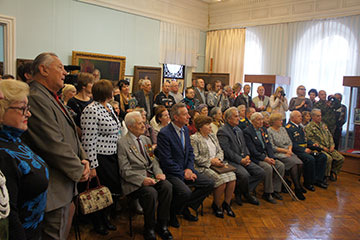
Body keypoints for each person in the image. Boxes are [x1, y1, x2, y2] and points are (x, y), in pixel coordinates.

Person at [22, 53, 90, 240]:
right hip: (53, 185)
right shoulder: (35, 97)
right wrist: (79, 169)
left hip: (64, 181)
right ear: (43, 69)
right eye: (60, 67)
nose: (64, 72)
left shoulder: (50, 96)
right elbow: (51, 143)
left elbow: (71, 134)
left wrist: (84, 158)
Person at [0, 80, 49, 239]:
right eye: (22, 108)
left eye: (28, 108)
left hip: (34, 229)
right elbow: (10, 216)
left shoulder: (15, 139)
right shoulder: (3, 154)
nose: (28, 113)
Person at [157, 103, 214, 228]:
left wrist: (189, 169)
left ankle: (184, 207)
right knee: (185, 192)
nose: (189, 117)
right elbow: (166, 161)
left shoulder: (185, 129)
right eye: (185, 114)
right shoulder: (164, 133)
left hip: (186, 169)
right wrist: (183, 173)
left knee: (209, 183)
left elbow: (190, 153)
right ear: (176, 117)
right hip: (172, 173)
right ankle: (173, 213)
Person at [118, 112, 173, 240]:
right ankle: (149, 228)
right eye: (140, 123)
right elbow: (124, 170)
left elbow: (153, 160)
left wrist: (158, 172)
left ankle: (163, 224)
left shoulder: (146, 140)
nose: (144, 126)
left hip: (151, 176)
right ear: (130, 127)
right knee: (150, 193)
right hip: (134, 181)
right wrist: (142, 180)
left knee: (167, 186)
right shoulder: (122, 143)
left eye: (144, 122)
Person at [80, 80, 122, 235]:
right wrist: (92, 166)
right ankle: (98, 223)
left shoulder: (109, 107)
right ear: (106, 92)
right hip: (99, 157)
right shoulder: (91, 110)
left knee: (109, 190)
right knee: (98, 191)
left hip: (111, 155)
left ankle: (105, 219)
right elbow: (88, 140)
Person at [217, 107, 265, 206]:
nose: (238, 118)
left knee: (260, 172)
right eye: (236, 116)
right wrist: (240, 160)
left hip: (243, 158)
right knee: (244, 175)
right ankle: (247, 194)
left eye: (238, 116)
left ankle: (240, 192)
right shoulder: (222, 131)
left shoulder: (238, 129)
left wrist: (247, 155)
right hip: (231, 160)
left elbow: (244, 145)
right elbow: (227, 151)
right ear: (229, 119)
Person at [191, 116, 236, 218]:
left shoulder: (212, 136)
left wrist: (218, 160)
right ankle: (216, 205)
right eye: (207, 125)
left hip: (217, 163)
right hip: (203, 166)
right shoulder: (194, 138)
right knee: (220, 180)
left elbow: (220, 150)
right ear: (200, 127)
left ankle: (227, 204)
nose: (210, 127)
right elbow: (195, 157)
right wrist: (211, 162)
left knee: (232, 177)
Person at [243, 113, 285, 204]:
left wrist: (271, 157)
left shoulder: (263, 130)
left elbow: (268, 145)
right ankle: (267, 192)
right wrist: (265, 159)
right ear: (253, 121)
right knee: (267, 167)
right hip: (255, 157)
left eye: (262, 119)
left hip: (267, 155)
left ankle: (276, 190)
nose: (261, 121)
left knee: (280, 165)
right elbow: (252, 150)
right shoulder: (247, 131)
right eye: (259, 120)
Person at [267, 113, 305, 200]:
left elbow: (289, 142)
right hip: (278, 153)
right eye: (280, 120)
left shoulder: (283, 129)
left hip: (288, 152)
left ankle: (297, 184)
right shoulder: (269, 131)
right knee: (294, 165)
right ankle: (297, 188)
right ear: (274, 121)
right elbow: (272, 147)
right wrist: (285, 151)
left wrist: (290, 150)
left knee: (300, 163)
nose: (282, 122)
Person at [286, 111, 328, 190]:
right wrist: (303, 149)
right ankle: (308, 182)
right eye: (299, 116)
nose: (301, 118)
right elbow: (290, 143)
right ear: (293, 118)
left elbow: (306, 140)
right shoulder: (288, 128)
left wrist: (313, 144)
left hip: (307, 149)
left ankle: (318, 180)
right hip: (297, 151)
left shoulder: (300, 127)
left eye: (301, 116)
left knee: (322, 156)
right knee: (310, 159)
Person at [305, 109, 344, 182]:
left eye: (320, 116)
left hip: (329, 148)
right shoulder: (309, 127)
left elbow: (330, 136)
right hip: (320, 149)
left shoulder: (323, 125)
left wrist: (332, 145)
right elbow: (311, 141)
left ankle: (333, 172)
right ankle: (325, 176)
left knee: (340, 158)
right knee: (328, 158)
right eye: (318, 116)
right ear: (312, 116)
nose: (320, 117)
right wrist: (323, 148)